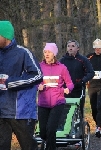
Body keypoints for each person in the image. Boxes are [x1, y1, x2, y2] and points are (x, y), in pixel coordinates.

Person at [0, 21, 43, 150]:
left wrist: (11, 82)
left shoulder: (23, 53)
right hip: (1, 111)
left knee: (28, 146)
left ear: (5, 36)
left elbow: (37, 75)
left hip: (20, 111)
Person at [37, 43, 74, 150]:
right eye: (45, 52)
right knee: (43, 132)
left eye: (49, 52)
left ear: (54, 54)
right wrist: (37, 86)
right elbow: (34, 81)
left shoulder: (62, 68)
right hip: (43, 103)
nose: (46, 54)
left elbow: (70, 83)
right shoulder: (39, 67)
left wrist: (68, 89)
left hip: (58, 102)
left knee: (51, 129)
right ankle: (48, 143)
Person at [59, 39, 95, 118]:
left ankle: (80, 127)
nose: (70, 48)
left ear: (77, 48)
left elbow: (91, 73)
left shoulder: (83, 60)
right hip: (65, 90)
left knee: (78, 111)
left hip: (78, 89)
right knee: (65, 112)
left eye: (73, 46)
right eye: (68, 46)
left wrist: (82, 81)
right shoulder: (62, 61)